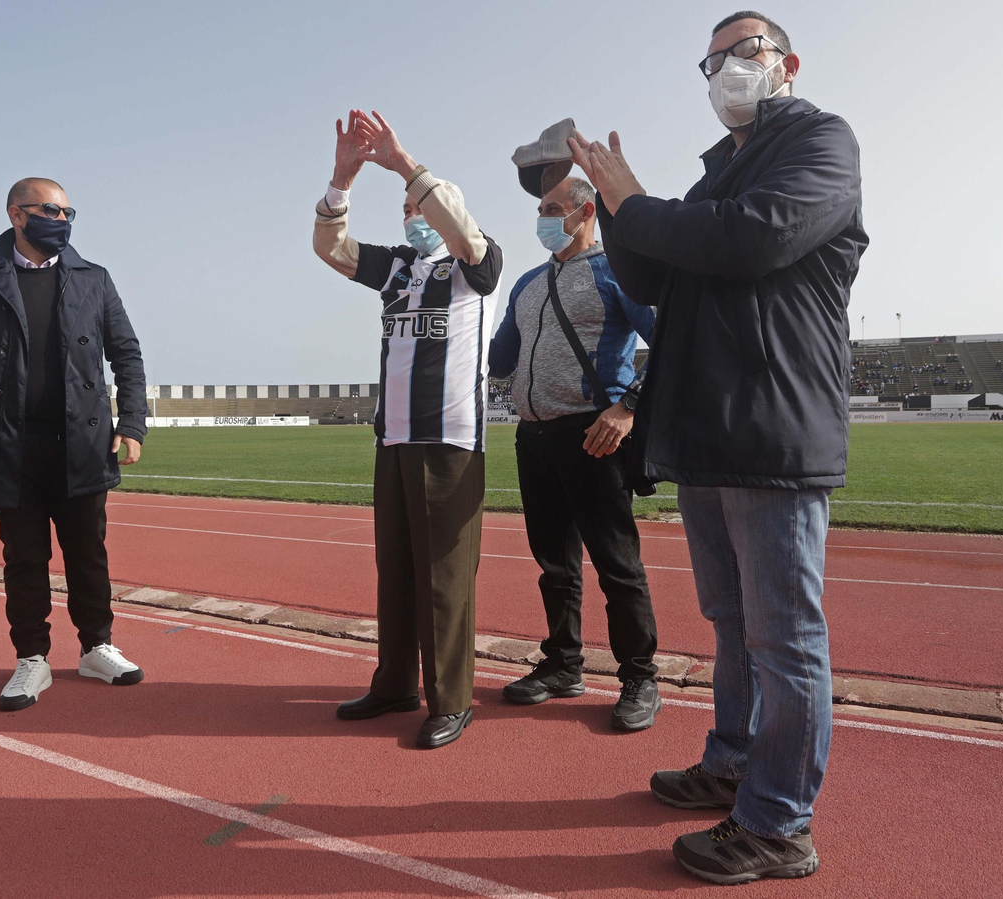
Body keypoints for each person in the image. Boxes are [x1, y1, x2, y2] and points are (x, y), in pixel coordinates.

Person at [568, 10, 867, 885]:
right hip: (707, 430)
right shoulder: (713, 176)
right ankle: (731, 762)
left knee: (784, 635)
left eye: (745, 51)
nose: (727, 69)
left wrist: (635, 203)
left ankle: (779, 823)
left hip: (774, 427)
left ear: (786, 62)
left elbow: (753, 238)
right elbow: (656, 276)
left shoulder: (822, 142)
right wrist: (620, 215)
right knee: (733, 625)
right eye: (712, 62)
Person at [313, 110, 504, 749]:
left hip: (448, 441)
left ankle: (451, 699)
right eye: (403, 209)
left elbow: (456, 224)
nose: (411, 217)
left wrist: (401, 162)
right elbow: (330, 248)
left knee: (444, 579)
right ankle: (395, 683)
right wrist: (342, 182)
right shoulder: (397, 269)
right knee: (394, 572)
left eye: (418, 206)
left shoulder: (475, 264)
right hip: (392, 439)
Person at [0, 177, 149, 712]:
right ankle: (32, 658)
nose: (63, 221)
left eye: (70, 213)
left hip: (83, 443)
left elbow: (128, 354)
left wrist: (132, 422)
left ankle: (97, 646)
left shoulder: (93, 278)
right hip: (7, 445)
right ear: (16, 215)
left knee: (88, 554)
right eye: (51, 211)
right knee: (23, 558)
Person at [485, 171, 662, 730]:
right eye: (541, 207)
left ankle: (639, 676)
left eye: (554, 206)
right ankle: (562, 664)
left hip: (592, 435)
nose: (542, 217)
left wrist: (628, 407)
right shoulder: (526, 283)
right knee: (554, 563)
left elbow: (672, 339)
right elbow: (500, 359)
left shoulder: (618, 273)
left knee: (616, 563)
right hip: (533, 437)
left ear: (586, 212)